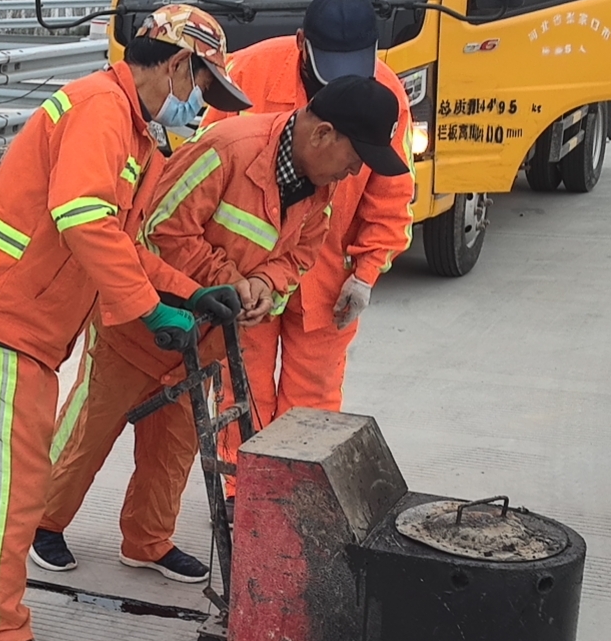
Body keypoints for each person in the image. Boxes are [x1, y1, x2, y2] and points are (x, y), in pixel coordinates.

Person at [0, 4, 252, 641]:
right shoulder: (102, 110)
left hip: (0, 319)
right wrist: (148, 310)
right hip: (8, 322)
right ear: (177, 65)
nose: (201, 107)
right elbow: (85, 220)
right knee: (8, 486)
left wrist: (186, 291)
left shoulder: (128, 128)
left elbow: (118, 239)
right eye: (203, 88)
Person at [37, 76, 410, 581]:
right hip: (141, 322)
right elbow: (158, 229)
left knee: (174, 447)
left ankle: (147, 541)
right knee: (90, 429)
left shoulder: (319, 187)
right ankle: (42, 523)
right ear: (322, 134)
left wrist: (265, 286)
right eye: (356, 156)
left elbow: (302, 255)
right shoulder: (227, 149)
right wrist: (231, 280)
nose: (356, 171)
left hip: (205, 338)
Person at [202, 0, 415, 421]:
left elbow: (391, 197)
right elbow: (206, 172)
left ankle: (297, 471)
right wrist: (220, 274)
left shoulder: (386, 96)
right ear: (302, 44)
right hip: (246, 278)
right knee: (241, 393)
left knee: (312, 405)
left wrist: (366, 274)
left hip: (326, 281)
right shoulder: (249, 72)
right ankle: (240, 470)